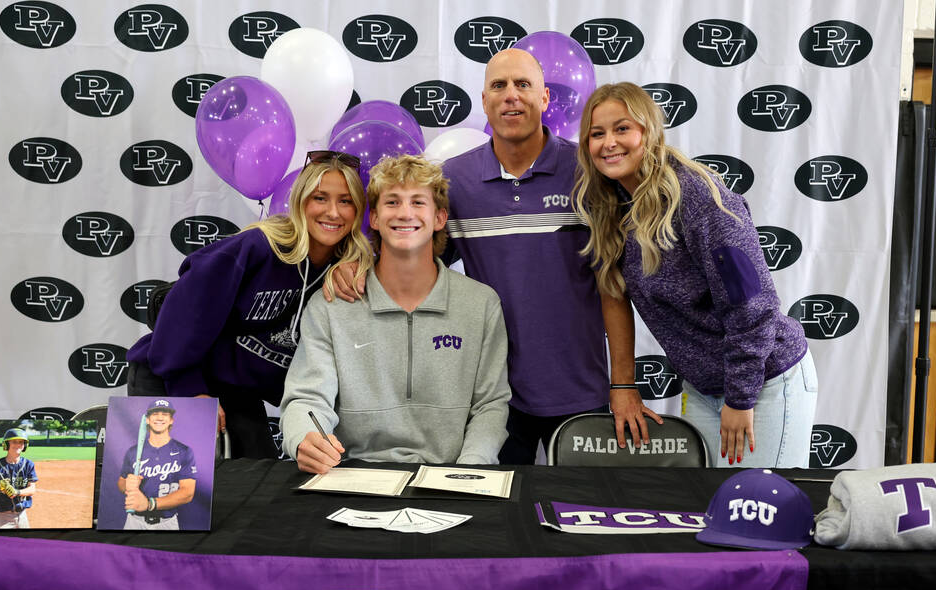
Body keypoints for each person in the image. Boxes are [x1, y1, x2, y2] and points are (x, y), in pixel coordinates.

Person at [328, 48, 658, 463]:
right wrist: (354, 264)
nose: (511, 95)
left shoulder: (588, 172)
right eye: (498, 86)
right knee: (491, 523)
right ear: (484, 101)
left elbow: (613, 285)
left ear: (544, 99)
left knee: (580, 516)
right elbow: (411, 260)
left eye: (523, 84)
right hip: (489, 397)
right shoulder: (454, 180)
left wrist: (623, 383)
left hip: (580, 389)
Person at [574, 82, 818, 468]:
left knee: (759, 507)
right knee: (706, 510)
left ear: (648, 131)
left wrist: (740, 398)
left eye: (622, 128)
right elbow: (614, 293)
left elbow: (751, 304)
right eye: (597, 133)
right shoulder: (612, 206)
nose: (609, 143)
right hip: (704, 389)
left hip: (764, 382)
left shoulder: (697, 197)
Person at [126, 151, 373, 458]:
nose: (333, 212)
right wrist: (189, 390)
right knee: (164, 489)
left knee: (256, 478)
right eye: (320, 198)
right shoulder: (259, 247)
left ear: (358, 210)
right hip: (170, 372)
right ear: (301, 202)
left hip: (235, 387)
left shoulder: (346, 272)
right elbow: (180, 310)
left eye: (345, 201)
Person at [281, 155, 511, 474]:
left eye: (418, 202)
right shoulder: (331, 304)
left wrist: (467, 472)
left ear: (440, 217)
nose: (405, 213)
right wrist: (303, 438)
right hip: (352, 474)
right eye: (392, 202)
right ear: (373, 218)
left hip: (451, 476)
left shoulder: (481, 304)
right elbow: (307, 398)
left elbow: (490, 405)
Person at [118, 400, 197, 530]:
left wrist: (150, 504)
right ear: (147, 420)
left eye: (164, 414)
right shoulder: (133, 452)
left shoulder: (184, 451)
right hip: (134, 521)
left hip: (167, 522)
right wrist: (127, 485)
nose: (160, 417)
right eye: (155, 414)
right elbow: (121, 482)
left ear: (171, 420)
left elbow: (187, 493)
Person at [0, 428, 37, 529]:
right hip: (2, 518)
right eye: (14, 442)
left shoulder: (28, 464)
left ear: (25, 445)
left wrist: (17, 492)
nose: (18, 444)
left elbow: (32, 489)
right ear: (6, 444)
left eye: (21, 442)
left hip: (22, 516)